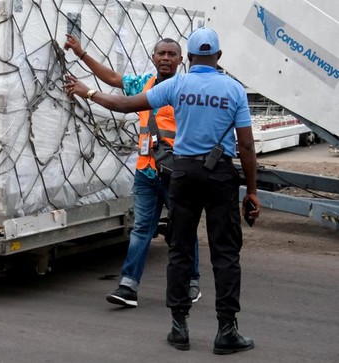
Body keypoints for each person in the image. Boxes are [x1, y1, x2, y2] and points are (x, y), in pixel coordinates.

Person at [63, 27, 260, 355]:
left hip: (181, 172)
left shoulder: (175, 85)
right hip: (220, 175)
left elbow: (124, 104)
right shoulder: (234, 90)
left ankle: (179, 327)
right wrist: (252, 191)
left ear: (190, 57)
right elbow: (247, 144)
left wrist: (88, 93)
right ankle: (226, 330)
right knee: (225, 254)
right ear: (219, 57)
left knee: (179, 249)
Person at [63, 34, 202, 308]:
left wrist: (88, 92)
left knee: (183, 229)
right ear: (153, 57)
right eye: (160, 53)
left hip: (177, 173)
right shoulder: (143, 84)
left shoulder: (187, 89)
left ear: (180, 59)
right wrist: (81, 54)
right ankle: (128, 286)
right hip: (147, 173)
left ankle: (191, 282)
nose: (165, 58)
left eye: (171, 54)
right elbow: (114, 79)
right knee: (140, 229)